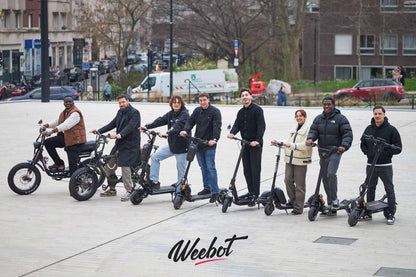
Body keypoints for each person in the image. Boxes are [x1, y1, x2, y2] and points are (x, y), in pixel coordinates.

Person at [306, 97, 353, 215]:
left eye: (329, 105)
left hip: (335, 151)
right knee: (324, 177)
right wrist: (310, 139)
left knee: (331, 173)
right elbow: (313, 131)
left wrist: (344, 145)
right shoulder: (318, 119)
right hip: (322, 151)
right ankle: (330, 202)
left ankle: (334, 199)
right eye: (324, 105)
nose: (326, 107)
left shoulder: (340, 119)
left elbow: (347, 133)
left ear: (333, 105)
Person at [93, 94, 141, 201]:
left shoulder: (134, 113)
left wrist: (120, 135)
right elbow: (112, 124)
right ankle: (112, 189)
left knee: (125, 165)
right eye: (119, 103)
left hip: (130, 145)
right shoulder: (120, 112)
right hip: (120, 144)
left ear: (127, 101)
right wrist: (99, 131)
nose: (121, 104)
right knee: (109, 165)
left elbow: (130, 127)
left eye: (123, 102)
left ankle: (130, 190)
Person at [360, 106, 402, 225]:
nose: (377, 116)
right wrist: (367, 153)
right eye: (375, 114)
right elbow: (362, 143)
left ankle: (391, 214)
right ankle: (368, 213)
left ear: (384, 115)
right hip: (371, 164)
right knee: (370, 188)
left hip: (385, 165)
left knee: (389, 188)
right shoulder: (368, 129)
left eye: (379, 114)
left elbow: (398, 148)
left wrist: (386, 154)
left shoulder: (391, 130)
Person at [179, 92, 222, 203]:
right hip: (198, 144)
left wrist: (215, 139)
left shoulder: (215, 112)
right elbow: (190, 121)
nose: (202, 102)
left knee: (210, 167)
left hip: (209, 144)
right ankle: (207, 188)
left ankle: (215, 191)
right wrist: (185, 130)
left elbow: (217, 127)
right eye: (200, 100)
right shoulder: (197, 111)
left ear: (208, 100)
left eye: (204, 100)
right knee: (203, 167)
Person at [142, 95, 189, 190]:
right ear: (171, 104)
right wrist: (146, 126)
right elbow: (160, 120)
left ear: (181, 104)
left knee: (181, 172)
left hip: (182, 148)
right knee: (155, 157)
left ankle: (180, 193)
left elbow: (177, 125)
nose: (176, 104)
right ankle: (154, 181)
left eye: (178, 103)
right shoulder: (170, 114)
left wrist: (167, 133)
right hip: (172, 146)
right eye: (174, 102)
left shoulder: (185, 114)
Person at [227, 88, 266, 205]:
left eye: (246, 95)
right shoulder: (240, 112)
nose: (244, 97)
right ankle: (250, 191)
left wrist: (257, 141)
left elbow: (261, 126)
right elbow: (237, 124)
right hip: (245, 144)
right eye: (242, 96)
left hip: (255, 144)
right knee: (247, 170)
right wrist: (232, 133)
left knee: (255, 170)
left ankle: (256, 194)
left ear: (251, 96)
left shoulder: (257, 110)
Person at [271, 109, 312, 215]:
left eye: (301, 116)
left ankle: (298, 207)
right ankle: (293, 201)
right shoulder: (294, 129)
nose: (298, 118)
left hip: (301, 160)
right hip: (290, 159)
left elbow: (305, 145)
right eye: (297, 116)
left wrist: (292, 146)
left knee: (300, 185)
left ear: (305, 117)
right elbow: (288, 142)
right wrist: (278, 142)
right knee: (287, 180)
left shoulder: (308, 129)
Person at [43, 96, 87, 175]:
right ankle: (59, 163)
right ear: (63, 103)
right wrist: (46, 125)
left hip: (75, 140)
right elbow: (58, 121)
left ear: (73, 102)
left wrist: (52, 131)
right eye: (66, 102)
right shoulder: (65, 112)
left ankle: (76, 185)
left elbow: (66, 125)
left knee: (73, 167)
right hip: (67, 138)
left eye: (69, 102)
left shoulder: (75, 113)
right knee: (48, 143)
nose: (68, 103)